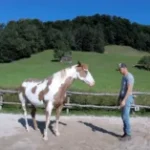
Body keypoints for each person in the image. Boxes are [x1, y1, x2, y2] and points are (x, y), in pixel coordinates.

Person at [116, 63, 134, 141]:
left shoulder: (129, 77)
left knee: (125, 116)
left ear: (124, 68)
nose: (119, 71)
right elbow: (122, 89)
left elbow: (129, 89)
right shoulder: (124, 77)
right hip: (123, 98)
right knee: (123, 116)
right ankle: (125, 133)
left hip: (127, 98)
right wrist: (120, 98)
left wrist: (124, 100)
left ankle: (128, 134)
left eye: (120, 69)